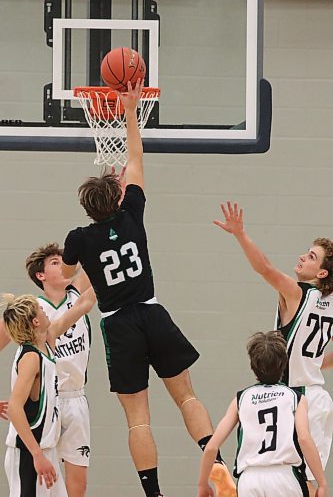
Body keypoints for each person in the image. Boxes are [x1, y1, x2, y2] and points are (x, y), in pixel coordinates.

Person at [61, 79, 236, 497]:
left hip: (119, 325)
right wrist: (129, 109)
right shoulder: (132, 214)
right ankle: (218, 464)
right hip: (153, 313)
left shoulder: (78, 238)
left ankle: (153, 493)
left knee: (138, 418)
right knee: (187, 397)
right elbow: (135, 157)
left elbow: (67, 275)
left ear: (87, 207)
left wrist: (89, 265)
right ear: (118, 197)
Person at [214, 200, 333, 496]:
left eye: (311, 257)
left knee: (292, 479)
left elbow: (264, 267)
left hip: (294, 397)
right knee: (298, 481)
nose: (302, 257)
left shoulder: (297, 293)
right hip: (315, 396)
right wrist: (317, 364)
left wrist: (240, 235)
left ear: (321, 274)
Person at [198, 331, 328, 497]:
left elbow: (212, 447)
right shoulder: (296, 398)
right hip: (285, 476)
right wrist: (322, 483)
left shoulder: (241, 399)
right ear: (284, 364)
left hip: (249, 479)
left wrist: (202, 483)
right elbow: (304, 439)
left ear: (253, 366)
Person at [1, 288, 95, 497]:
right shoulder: (30, 358)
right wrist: (36, 455)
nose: (45, 311)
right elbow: (15, 407)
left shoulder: (47, 343)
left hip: (45, 451)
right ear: (35, 321)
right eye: (40, 310)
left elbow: (82, 305)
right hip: (28, 453)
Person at [25, 243, 92, 497]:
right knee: (45, 482)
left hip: (76, 397)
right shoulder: (31, 308)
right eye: (55, 262)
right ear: (40, 275)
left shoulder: (77, 295)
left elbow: (97, 254)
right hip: (47, 400)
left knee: (79, 484)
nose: (63, 265)